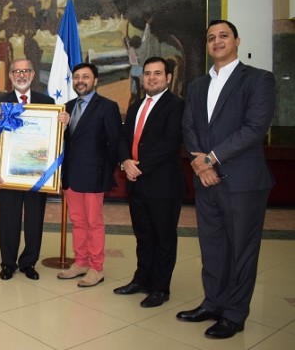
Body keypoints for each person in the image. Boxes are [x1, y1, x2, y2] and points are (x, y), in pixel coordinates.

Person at [179, 20, 276, 339]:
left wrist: (211, 159)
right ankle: (213, 303)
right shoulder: (196, 86)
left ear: (236, 40)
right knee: (213, 247)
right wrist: (201, 164)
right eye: (211, 38)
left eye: (223, 36)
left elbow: (254, 128)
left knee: (241, 251)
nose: (217, 42)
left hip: (242, 181)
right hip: (206, 181)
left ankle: (235, 314)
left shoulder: (258, 80)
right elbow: (189, 127)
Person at [114, 56, 185, 306]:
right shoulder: (135, 105)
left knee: (163, 237)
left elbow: (170, 143)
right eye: (147, 73)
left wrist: (138, 166)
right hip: (137, 183)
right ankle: (141, 279)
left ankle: (160, 288)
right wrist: (125, 161)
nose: (151, 78)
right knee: (143, 235)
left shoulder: (176, 105)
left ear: (168, 78)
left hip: (162, 184)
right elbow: (123, 137)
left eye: (157, 73)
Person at [0, 58, 55, 281]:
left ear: (33, 74)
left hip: (37, 174)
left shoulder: (48, 102)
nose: (21, 75)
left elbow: (54, 136)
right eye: (17, 71)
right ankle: (8, 263)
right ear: (10, 76)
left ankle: (29, 263)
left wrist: (63, 121)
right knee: (9, 219)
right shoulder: (0, 103)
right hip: (9, 172)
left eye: (26, 71)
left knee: (35, 220)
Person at [56, 62, 121, 287]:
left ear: (95, 81)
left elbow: (115, 143)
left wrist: (103, 169)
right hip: (71, 176)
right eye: (76, 77)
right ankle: (81, 262)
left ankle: (96, 267)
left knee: (94, 222)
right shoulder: (66, 106)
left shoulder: (107, 107)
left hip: (94, 175)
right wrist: (61, 129)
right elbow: (63, 143)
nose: (80, 81)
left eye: (85, 77)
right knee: (78, 222)